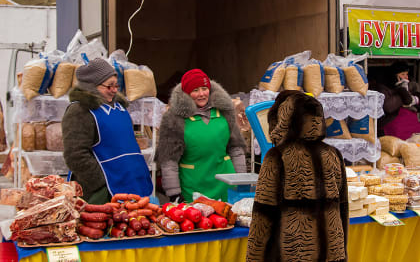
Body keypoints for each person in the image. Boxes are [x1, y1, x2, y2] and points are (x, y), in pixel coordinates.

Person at [246, 90, 348, 262]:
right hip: (333, 254)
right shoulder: (333, 154)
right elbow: (342, 211)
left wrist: (253, 258)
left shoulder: (277, 156)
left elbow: (262, 218)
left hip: (293, 253)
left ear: (282, 121)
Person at [62, 58, 153, 204]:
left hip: (131, 185)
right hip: (103, 193)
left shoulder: (120, 109)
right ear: (91, 86)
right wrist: (102, 182)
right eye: (109, 86)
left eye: (116, 85)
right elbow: (75, 155)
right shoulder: (79, 111)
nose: (115, 90)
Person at [155, 69, 246, 203]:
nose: (201, 94)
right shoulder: (174, 119)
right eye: (195, 90)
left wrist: (241, 181)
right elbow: (169, 160)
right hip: (193, 187)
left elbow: (237, 150)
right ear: (186, 93)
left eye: (204, 88)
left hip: (226, 186)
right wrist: (174, 193)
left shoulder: (224, 111)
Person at [372, 61, 420, 139]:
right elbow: (389, 107)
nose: (406, 77)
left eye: (407, 74)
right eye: (403, 74)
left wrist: (413, 97)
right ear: (395, 75)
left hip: (412, 123)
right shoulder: (383, 88)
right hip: (394, 124)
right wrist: (402, 90)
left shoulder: (411, 85)